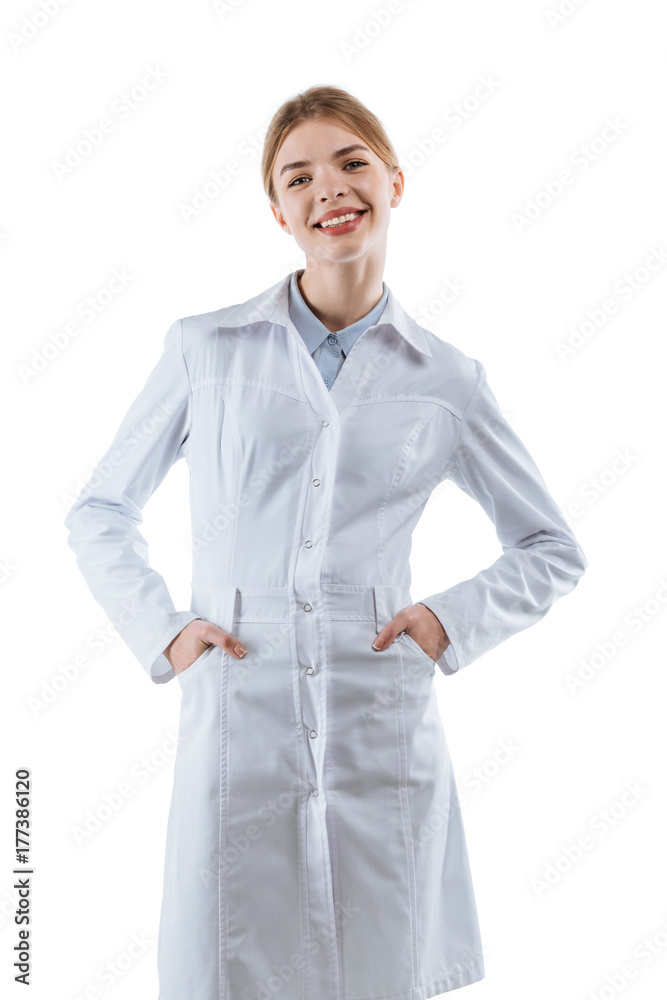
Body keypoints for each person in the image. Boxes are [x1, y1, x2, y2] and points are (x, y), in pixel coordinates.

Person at [64, 85, 588, 1000]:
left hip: (378, 707)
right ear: (278, 212)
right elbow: (100, 509)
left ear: (394, 181)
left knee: (378, 961)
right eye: (297, 177)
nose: (328, 190)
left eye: (350, 163)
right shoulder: (206, 350)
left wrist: (444, 622)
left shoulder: (448, 378)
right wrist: (165, 630)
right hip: (238, 699)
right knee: (229, 960)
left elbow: (549, 545)